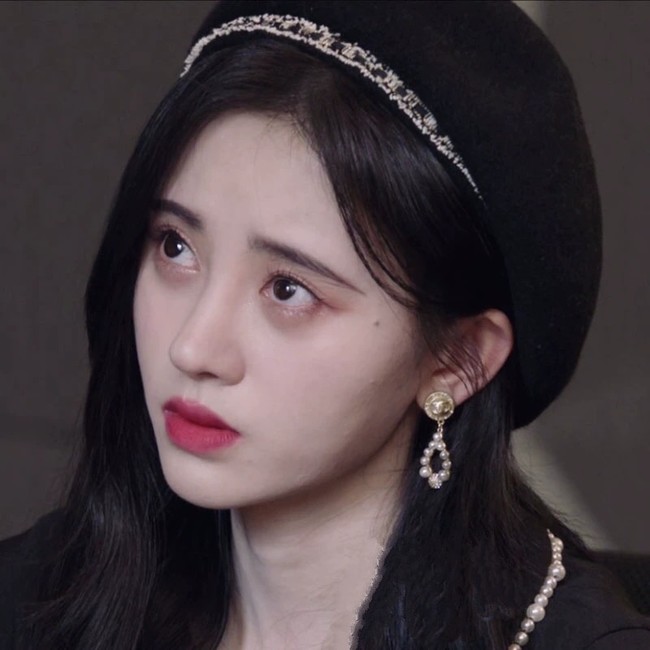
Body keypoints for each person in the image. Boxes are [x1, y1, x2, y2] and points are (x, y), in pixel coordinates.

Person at [1, 1, 649, 648]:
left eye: (288, 290)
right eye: (176, 247)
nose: (192, 346)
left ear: (459, 358)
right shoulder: (37, 601)